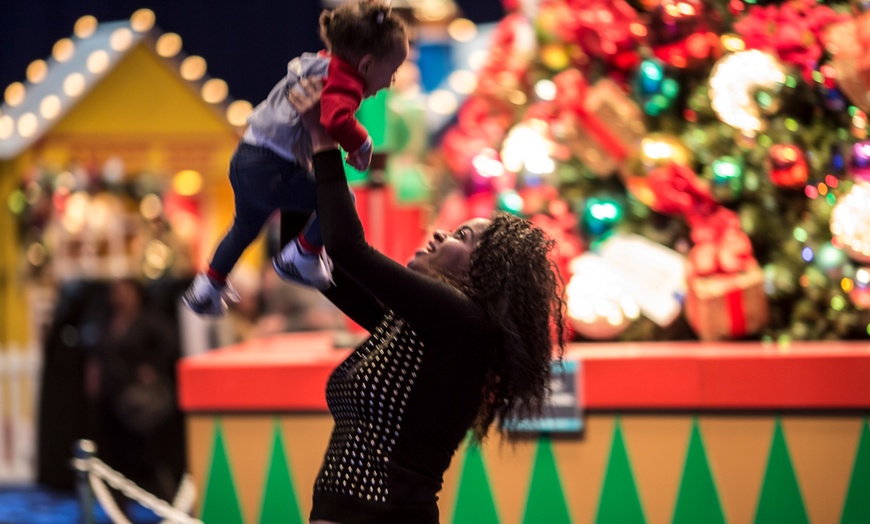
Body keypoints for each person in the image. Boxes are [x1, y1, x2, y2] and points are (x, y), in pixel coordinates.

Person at [284, 78, 566, 524]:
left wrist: (324, 142)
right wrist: (295, 152)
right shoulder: (419, 328)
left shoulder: (463, 324)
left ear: (485, 274)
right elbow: (305, 258)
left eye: (461, 237)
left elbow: (346, 248)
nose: (439, 233)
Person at [183, 0, 410, 316]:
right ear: (367, 65)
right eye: (394, 71)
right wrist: (362, 144)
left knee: (244, 228)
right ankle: (302, 255)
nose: (392, 82)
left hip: (246, 157)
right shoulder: (346, 82)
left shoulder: (320, 64)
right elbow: (335, 121)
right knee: (337, 199)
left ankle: (207, 286)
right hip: (271, 167)